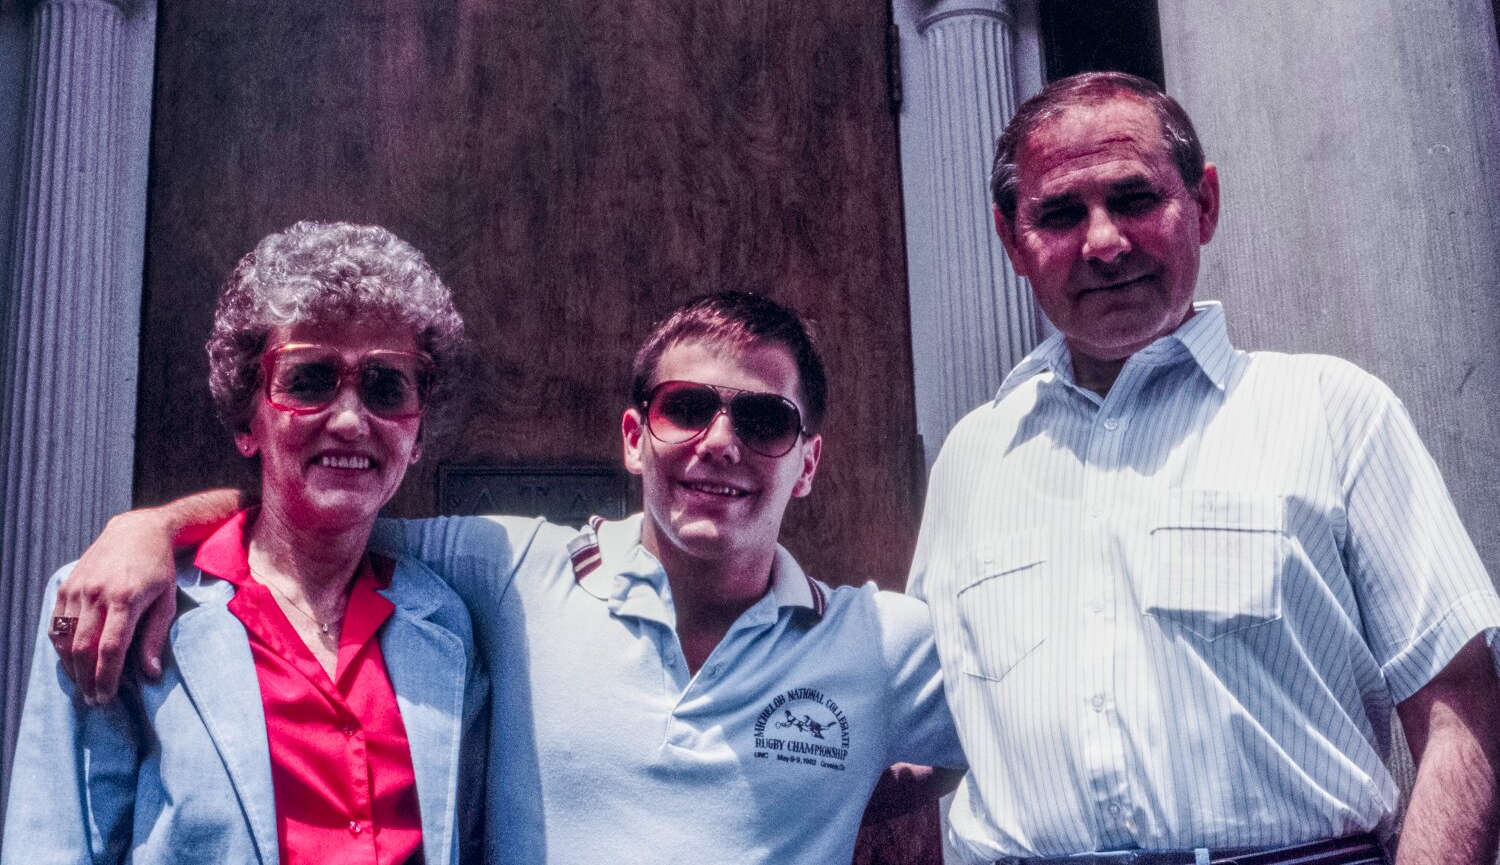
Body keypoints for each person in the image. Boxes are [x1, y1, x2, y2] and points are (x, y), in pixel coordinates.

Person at [47, 290, 964, 864]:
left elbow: (1018, 732)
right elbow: (325, 510)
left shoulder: (882, 644)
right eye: (686, 408)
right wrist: (149, 528)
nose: (720, 442)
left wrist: (855, 783)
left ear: (807, 463)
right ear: (635, 437)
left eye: (763, 421)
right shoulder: (516, 569)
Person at [907, 71, 1500, 864]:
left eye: (1135, 198)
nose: (1104, 241)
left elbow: (1460, 708)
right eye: (1060, 213)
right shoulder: (973, 458)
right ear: (1012, 239)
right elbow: (931, 732)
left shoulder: (1333, 413)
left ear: (1205, 204)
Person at [1, 222, 486, 864]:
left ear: (417, 432)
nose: (350, 419)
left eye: (386, 385)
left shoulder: (445, 621)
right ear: (245, 420)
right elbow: (53, 847)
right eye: (309, 380)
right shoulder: (116, 603)